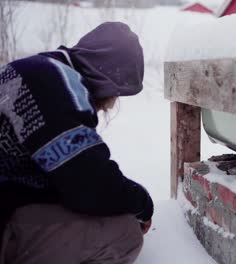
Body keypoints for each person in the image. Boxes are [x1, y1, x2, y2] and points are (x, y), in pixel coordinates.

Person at [0, 22, 154, 264]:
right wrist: (141, 203)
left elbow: (65, 172)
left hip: (9, 200)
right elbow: (91, 188)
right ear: (107, 79)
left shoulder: (34, 69)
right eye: (117, 93)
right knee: (124, 233)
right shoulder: (59, 87)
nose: (111, 104)